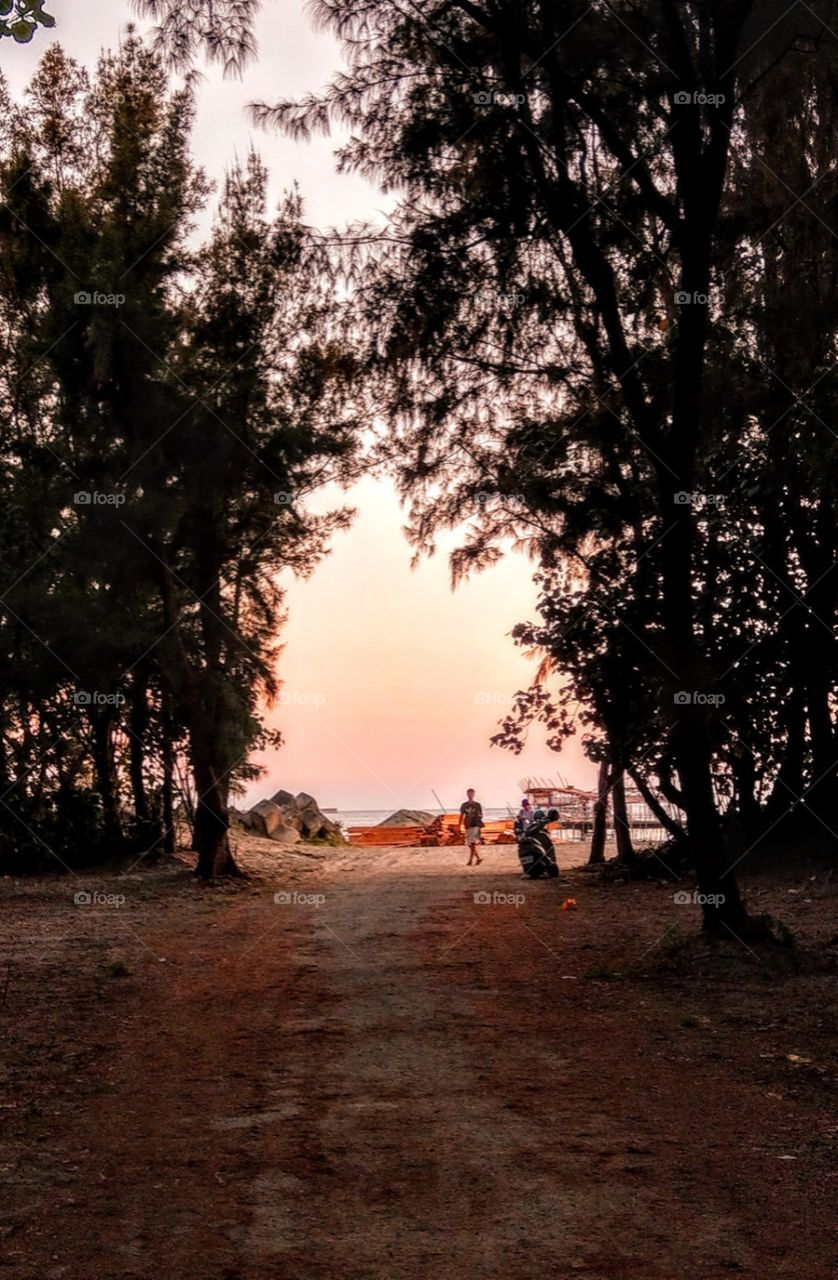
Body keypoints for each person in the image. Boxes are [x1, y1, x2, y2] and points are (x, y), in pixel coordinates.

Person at [458, 788, 484, 866]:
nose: (470, 795)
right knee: (469, 844)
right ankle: (478, 858)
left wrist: (477, 817)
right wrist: (459, 825)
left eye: (472, 794)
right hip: (467, 825)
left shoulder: (477, 805)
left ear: (474, 794)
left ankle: (470, 861)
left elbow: (481, 815)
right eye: (469, 794)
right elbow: (461, 815)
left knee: (472, 843)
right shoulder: (464, 805)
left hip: (475, 824)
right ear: (467, 794)